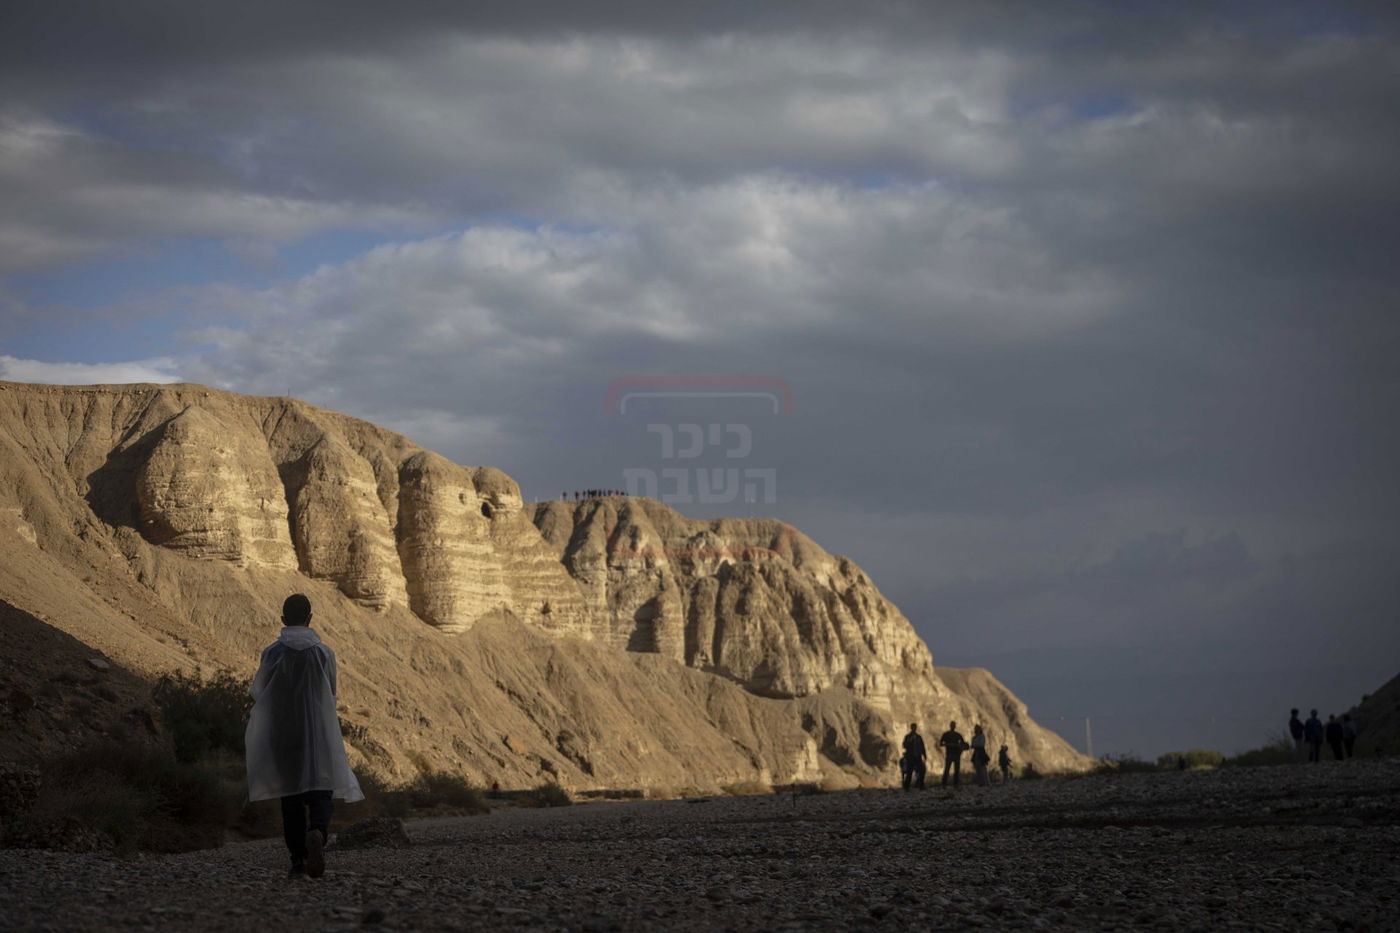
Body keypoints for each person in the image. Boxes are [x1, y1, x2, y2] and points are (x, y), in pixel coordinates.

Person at [246, 594, 364, 879]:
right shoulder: (324, 653)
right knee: (321, 790)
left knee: (291, 797)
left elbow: (260, 692)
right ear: (310, 618)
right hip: (318, 730)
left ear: (283, 620)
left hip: (285, 733)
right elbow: (331, 693)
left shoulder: (272, 653)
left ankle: (298, 860)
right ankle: (318, 834)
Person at [938, 721, 966, 787]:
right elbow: (941, 743)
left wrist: (958, 746)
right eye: (952, 725)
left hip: (955, 754)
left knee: (955, 770)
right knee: (948, 769)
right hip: (950, 754)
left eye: (953, 725)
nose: (953, 726)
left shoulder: (956, 734)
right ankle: (945, 784)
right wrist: (949, 745)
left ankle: (954, 784)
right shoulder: (947, 734)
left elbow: (963, 744)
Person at [901, 723, 927, 791]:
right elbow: (904, 745)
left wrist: (924, 755)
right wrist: (910, 741)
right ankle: (907, 787)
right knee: (909, 772)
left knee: (921, 771)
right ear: (911, 728)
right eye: (912, 727)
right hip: (910, 757)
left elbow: (922, 746)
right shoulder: (907, 736)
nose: (914, 729)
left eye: (914, 727)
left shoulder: (919, 737)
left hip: (918, 756)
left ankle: (921, 786)